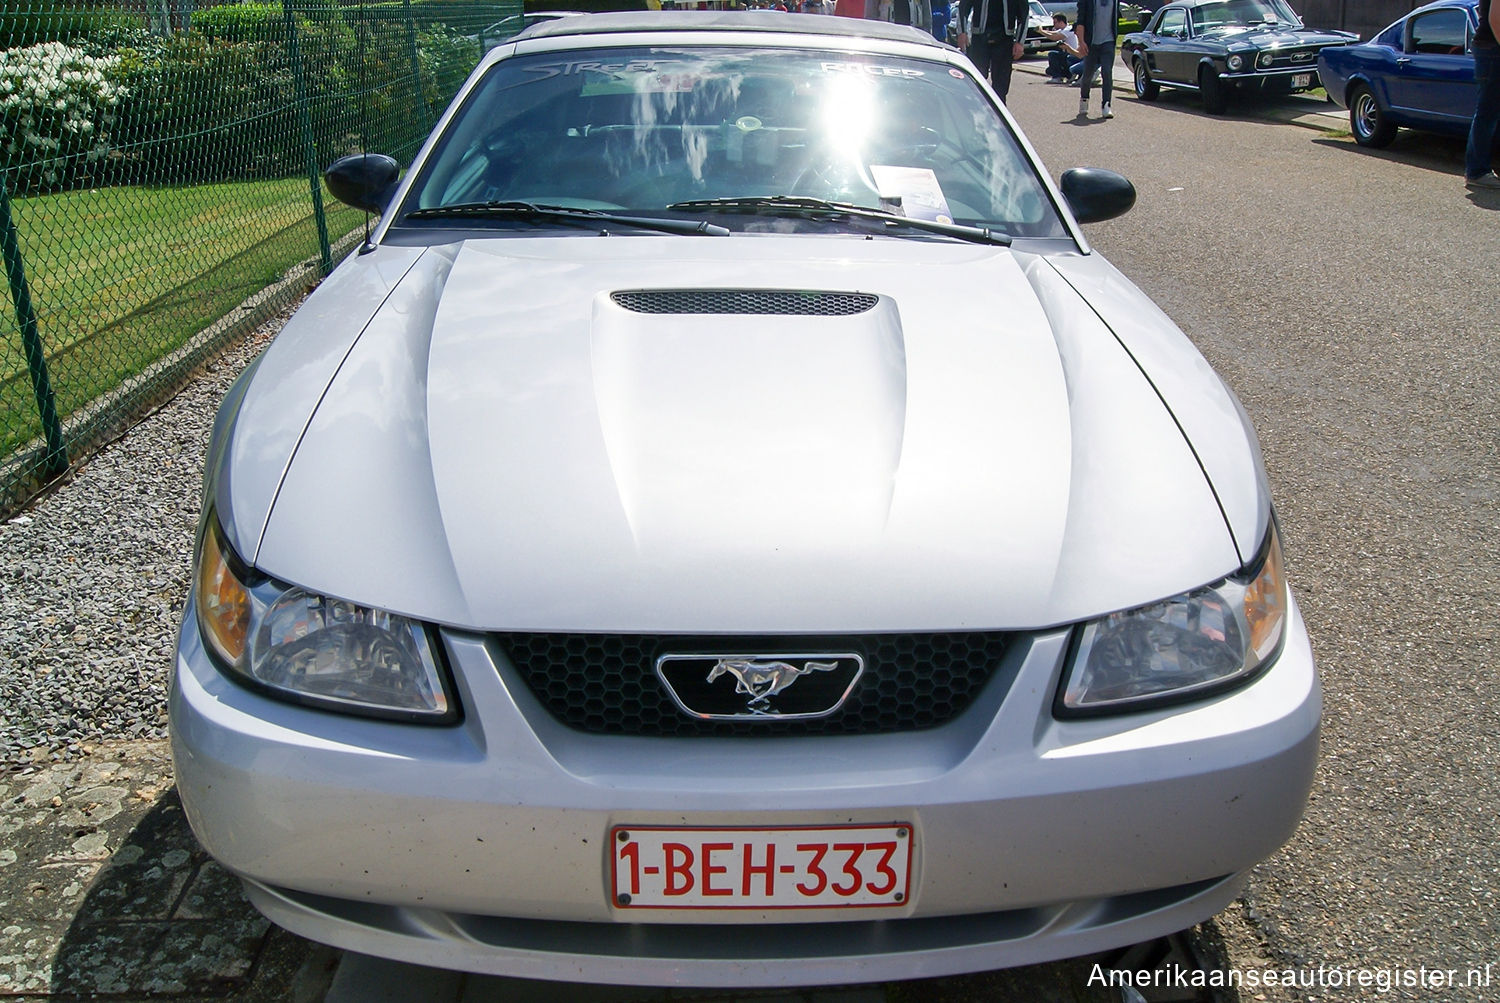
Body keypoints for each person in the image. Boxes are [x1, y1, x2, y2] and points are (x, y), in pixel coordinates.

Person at [957, 0, 1028, 103]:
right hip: (979, 38)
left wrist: (1020, 42)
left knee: (1001, 84)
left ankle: (998, 113)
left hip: (1004, 39)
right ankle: (974, 109)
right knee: (976, 79)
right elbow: (963, 8)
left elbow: (1023, 15)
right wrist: (962, 32)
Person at [1467, 0, 1500, 189]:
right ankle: (1477, 171)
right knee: (1488, 112)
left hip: (1490, 48)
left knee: (1490, 112)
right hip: (1492, 50)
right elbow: (1495, 19)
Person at [1075, 0, 1120, 119]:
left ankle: (1106, 105)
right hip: (1091, 42)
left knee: (1107, 72)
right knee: (1088, 75)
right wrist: (1081, 42)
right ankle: (1084, 99)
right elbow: (1080, 21)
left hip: (1108, 41)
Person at [1040, 13, 1082, 82]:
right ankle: (1066, 75)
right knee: (1049, 70)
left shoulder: (1068, 29)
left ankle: (1057, 78)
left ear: (1061, 22)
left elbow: (1054, 37)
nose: (1054, 24)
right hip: (1067, 55)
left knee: (1052, 54)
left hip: (1073, 55)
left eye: (1055, 22)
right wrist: (1042, 30)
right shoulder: (1062, 30)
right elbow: (1052, 33)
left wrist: (1041, 32)